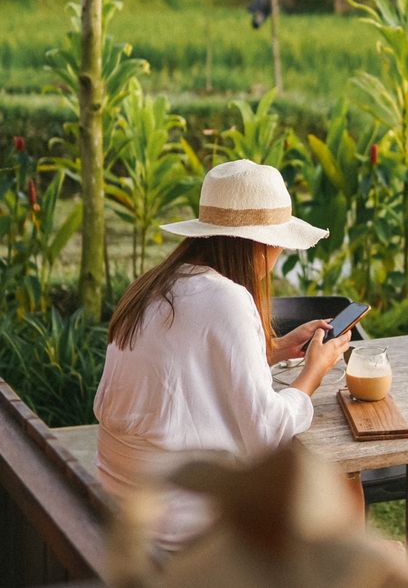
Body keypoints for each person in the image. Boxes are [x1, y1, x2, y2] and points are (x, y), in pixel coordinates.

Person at [93, 159, 353, 549]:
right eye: (279, 242)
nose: (280, 251)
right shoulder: (227, 299)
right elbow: (266, 434)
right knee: (341, 481)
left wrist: (275, 351)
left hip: (122, 500)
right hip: (175, 526)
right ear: (262, 244)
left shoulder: (158, 284)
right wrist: (312, 372)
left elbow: (189, 371)